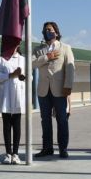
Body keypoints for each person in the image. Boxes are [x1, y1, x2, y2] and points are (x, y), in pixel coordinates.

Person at [32, 22, 75, 159]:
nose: (47, 32)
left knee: (62, 120)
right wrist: (47, 57)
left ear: (56, 32)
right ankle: (47, 148)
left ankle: (63, 148)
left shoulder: (65, 48)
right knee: (45, 120)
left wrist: (68, 86)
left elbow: (70, 68)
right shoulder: (38, 49)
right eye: (45, 30)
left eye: (50, 29)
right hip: (43, 90)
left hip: (60, 90)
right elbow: (30, 64)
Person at [0, 47, 25, 165]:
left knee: (16, 125)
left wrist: (23, 77)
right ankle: (8, 153)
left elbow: (29, 77)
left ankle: (15, 154)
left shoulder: (22, 59)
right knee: (6, 125)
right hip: (5, 95)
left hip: (17, 95)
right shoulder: (0, 59)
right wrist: (11, 75)